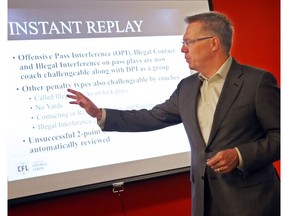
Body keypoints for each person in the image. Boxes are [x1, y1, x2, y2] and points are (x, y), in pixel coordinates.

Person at [66, 11, 280, 216]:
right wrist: (100, 113)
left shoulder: (257, 82)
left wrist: (240, 155)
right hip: (204, 203)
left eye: (188, 42)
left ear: (214, 43)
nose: (183, 50)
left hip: (252, 202)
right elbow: (151, 117)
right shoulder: (186, 88)